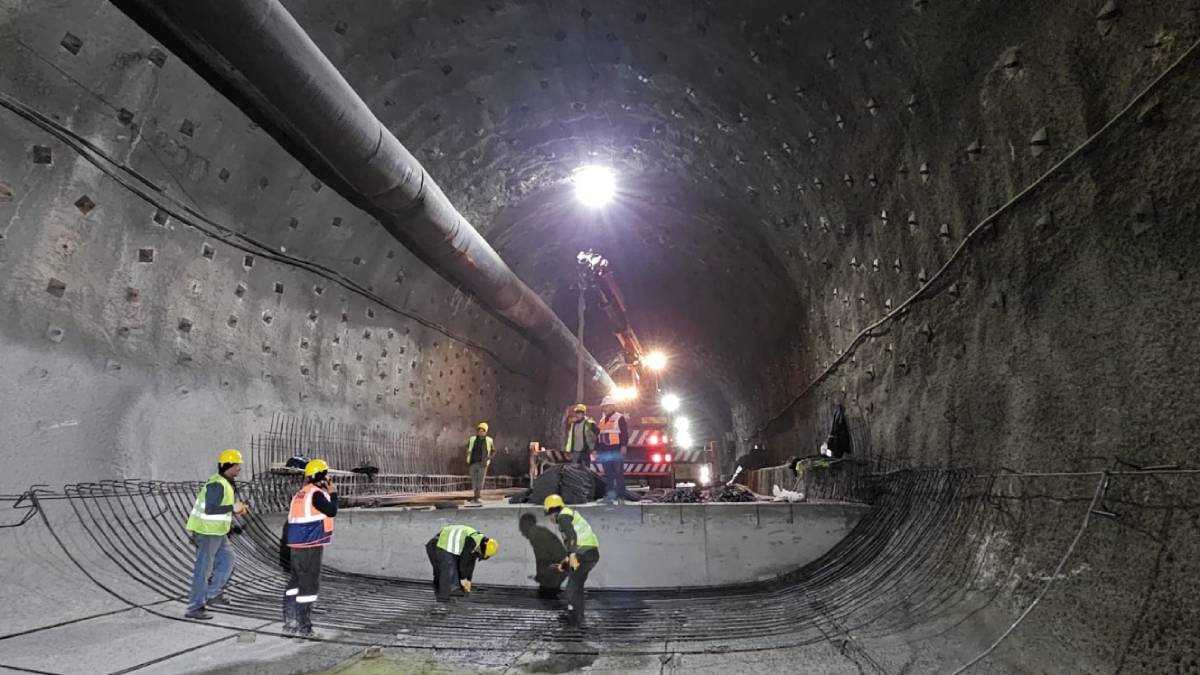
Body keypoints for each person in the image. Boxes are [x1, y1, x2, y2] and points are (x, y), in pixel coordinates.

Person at [184, 449, 248, 620]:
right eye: (237, 466)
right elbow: (210, 509)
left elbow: (221, 509)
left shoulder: (226, 483)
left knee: (228, 560)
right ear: (229, 466)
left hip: (218, 532)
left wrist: (233, 516)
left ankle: (213, 594)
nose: (239, 469)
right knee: (204, 570)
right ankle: (195, 607)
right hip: (206, 532)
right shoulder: (217, 484)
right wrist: (233, 508)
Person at [282, 459, 337, 637]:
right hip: (310, 544)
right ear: (322, 476)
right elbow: (331, 511)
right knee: (308, 585)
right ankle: (304, 627)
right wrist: (334, 494)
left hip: (297, 544)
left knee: (296, 582)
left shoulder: (301, 493)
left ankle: (290, 622)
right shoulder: (316, 494)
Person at [543, 494, 599, 628]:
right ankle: (577, 619)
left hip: (584, 553)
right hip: (590, 554)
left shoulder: (563, 517)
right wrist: (563, 565)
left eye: (548, 514)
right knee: (576, 587)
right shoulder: (567, 514)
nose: (549, 519)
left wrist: (572, 555)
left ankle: (573, 620)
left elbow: (572, 537)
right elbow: (571, 545)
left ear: (552, 511)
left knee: (572, 589)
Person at [425, 524, 499, 603]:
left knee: (446, 572)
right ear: (482, 550)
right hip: (438, 543)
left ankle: (444, 589)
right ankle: (443, 599)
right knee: (448, 569)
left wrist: (468, 581)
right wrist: (464, 579)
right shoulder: (472, 541)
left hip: (444, 545)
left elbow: (470, 564)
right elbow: (463, 563)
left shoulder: (478, 542)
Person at [596, 396, 629, 504]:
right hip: (605, 450)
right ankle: (610, 497)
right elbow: (600, 436)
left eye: (606, 406)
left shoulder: (619, 417)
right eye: (604, 406)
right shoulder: (602, 420)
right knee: (608, 474)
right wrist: (598, 450)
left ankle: (621, 497)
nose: (604, 408)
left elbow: (624, 433)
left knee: (618, 473)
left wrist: (623, 446)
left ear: (612, 406)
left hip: (616, 449)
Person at [466, 422, 494, 503]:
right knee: (474, 480)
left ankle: (477, 497)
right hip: (473, 463)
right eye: (479, 431)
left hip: (482, 464)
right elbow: (467, 447)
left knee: (480, 480)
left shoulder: (489, 440)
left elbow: (493, 451)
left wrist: (488, 457)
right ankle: (475, 496)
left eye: (483, 431)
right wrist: (468, 452)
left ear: (486, 432)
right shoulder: (472, 439)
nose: (481, 432)